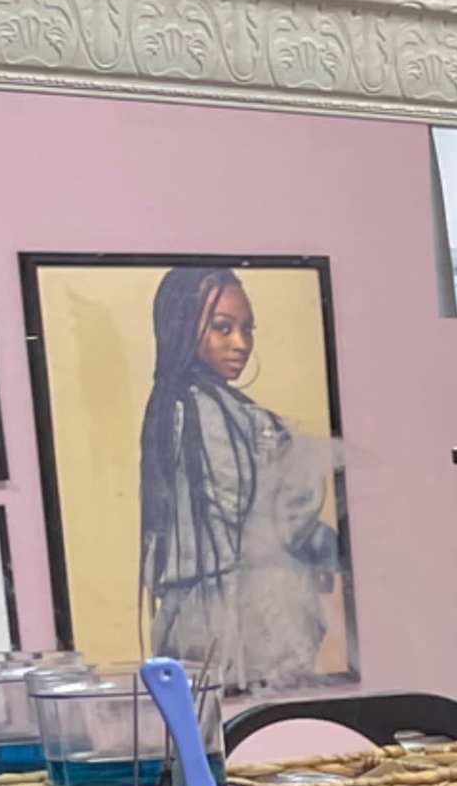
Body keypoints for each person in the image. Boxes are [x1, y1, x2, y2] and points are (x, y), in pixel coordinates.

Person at [137, 263, 341, 689]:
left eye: (248, 329)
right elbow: (257, 513)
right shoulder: (199, 413)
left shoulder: (199, 408)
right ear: (182, 328)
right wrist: (305, 470)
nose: (241, 344)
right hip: (235, 616)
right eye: (222, 328)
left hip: (225, 609)